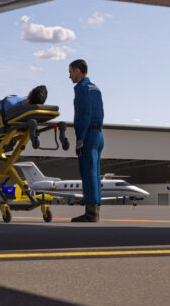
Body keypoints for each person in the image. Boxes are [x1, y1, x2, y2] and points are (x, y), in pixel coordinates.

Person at [68, 59, 104, 222]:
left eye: (70, 72)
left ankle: (90, 213)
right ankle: (95, 210)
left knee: (87, 173)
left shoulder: (81, 88)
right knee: (95, 174)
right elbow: (100, 113)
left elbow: (84, 114)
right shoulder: (95, 88)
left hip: (88, 135)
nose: (69, 76)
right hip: (98, 134)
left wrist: (80, 138)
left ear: (78, 70)